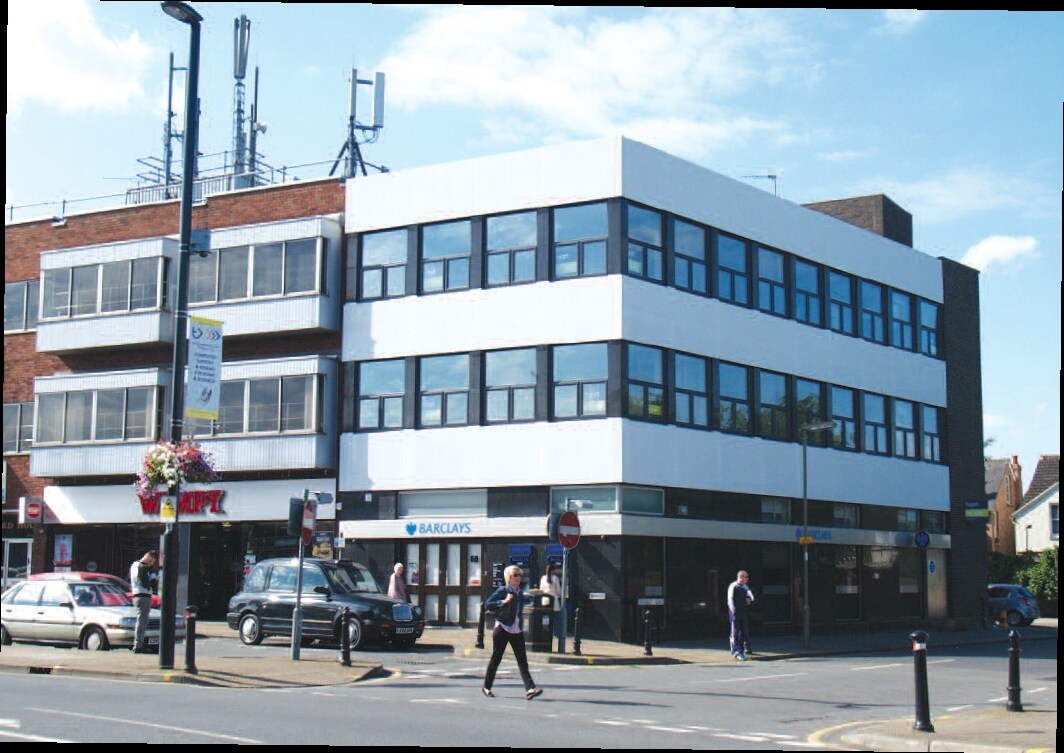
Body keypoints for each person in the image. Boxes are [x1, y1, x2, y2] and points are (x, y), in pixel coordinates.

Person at [482, 565, 543, 700]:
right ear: (509, 577)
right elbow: (487, 604)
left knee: (522, 661)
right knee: (496, 658)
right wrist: (504, 601)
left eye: (520, 575)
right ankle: (486, 687)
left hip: (516, 630)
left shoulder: (520, 593)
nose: (518, 578)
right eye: (515, 575)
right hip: (503, 628)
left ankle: (530, 689)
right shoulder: (503, 590)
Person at [129, 550, 157, 654]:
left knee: (142, 619)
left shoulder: (135, 565)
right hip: (143, 595)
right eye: (152, 561)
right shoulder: (142, 567)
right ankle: (138, 645)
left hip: (137, 595)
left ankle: (139, 643)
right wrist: (153, 578)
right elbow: (145, 583)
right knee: (142, 620)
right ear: (149, 558)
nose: (151, 564)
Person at [727, 570, 755, 661]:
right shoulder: (733, 586)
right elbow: (730, 598)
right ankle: (735, 651)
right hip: (735, 611)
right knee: (735, 631)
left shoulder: (745, 587)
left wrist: (749, 599)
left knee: (743, 631)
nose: (747, 579)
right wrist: (733, 608)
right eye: (746, 577)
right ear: (741, 577)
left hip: (743, 611)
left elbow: (751, 596)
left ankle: (741, 650)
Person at [538, 563, 563, 646]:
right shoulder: (555, 578)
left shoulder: (543, 578)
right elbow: (558, 590)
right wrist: (560, 595)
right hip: (553, 601)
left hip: (544, 601)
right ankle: (555, 634)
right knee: (555, 618)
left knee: (546, 618)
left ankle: (546, 632)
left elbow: (541, 590)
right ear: (552, 570)